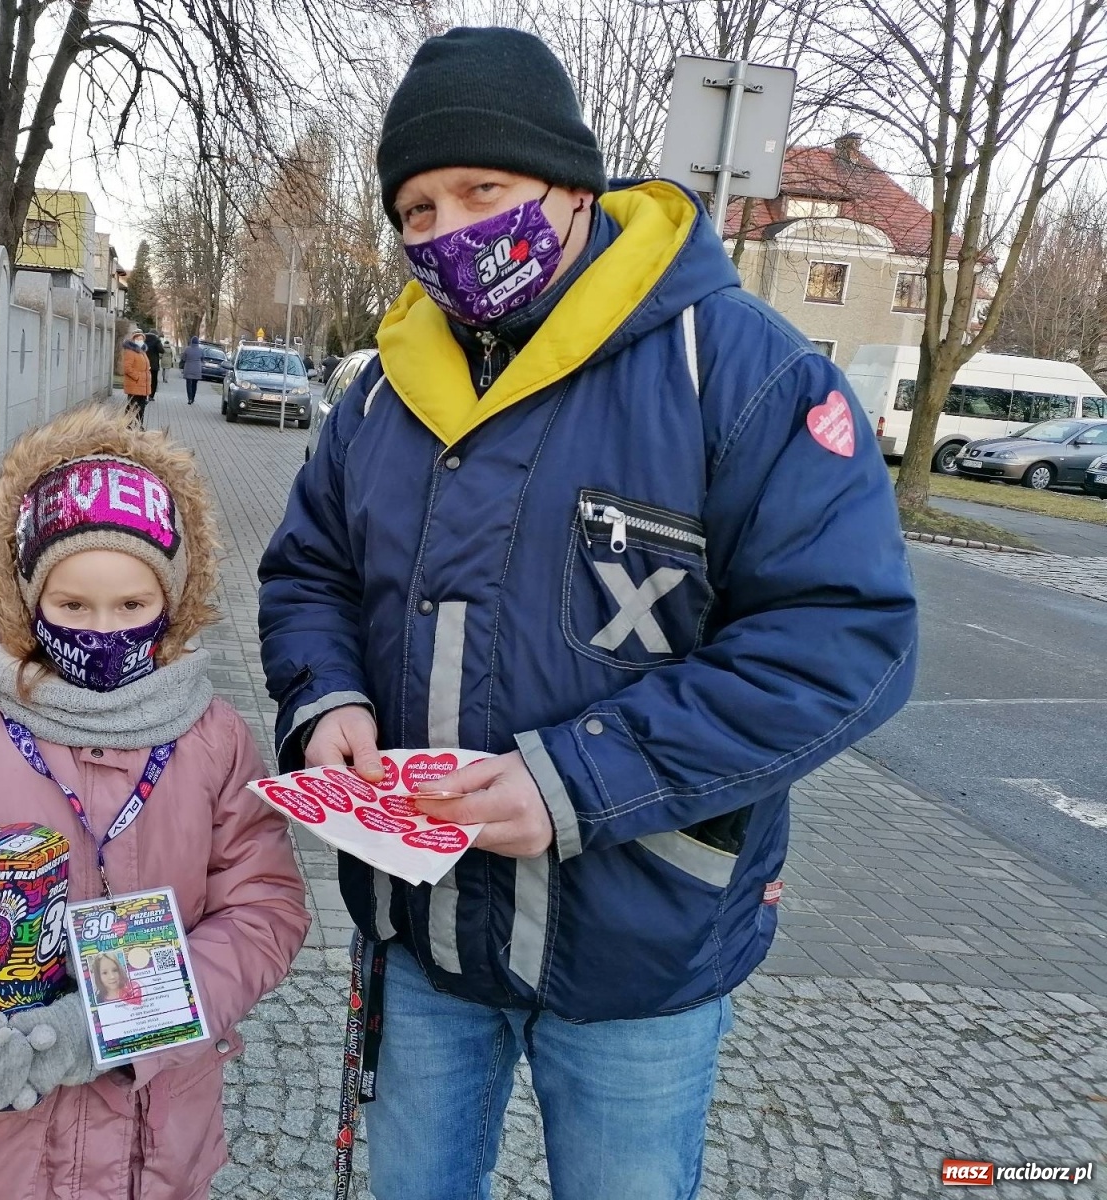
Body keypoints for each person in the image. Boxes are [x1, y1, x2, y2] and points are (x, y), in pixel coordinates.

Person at [257, 26, 916, 1200]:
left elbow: (839, 640)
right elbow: (307, 571)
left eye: (482, 189)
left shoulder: (743, 371)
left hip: (643, 941)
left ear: (571, 185)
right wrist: (327, 698)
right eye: (415, 208)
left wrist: (582, 778)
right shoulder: (381, 392)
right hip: (428, 935)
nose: (447, 230)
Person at [0, 405, 310, 1199]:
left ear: (172, 603)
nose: (102, 630)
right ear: (27, 602)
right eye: (73, 606)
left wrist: (125, 1018)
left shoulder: (212, 741)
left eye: (131, 607)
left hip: (151, 1150)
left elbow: (264, 912)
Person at [122, 329, 152, 428]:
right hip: (135, 384)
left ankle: (139, 425)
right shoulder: (130, 352)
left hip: (143, 385)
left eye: (141, 339)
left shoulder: (142, 351)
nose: (140, 340)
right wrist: (138, 377)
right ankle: (127, 424)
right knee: (132, 405)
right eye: (138, 338)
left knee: (141, 406)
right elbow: (127, 368)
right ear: (134, 340)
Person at [181, 333, 204, 404]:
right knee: (194, 384)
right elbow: (202, 359)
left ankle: (189, 398)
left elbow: (183, 358)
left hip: (188, 368)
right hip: (197, 369)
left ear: (191, 342)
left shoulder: (187, 349)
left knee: (188, 384)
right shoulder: (201, 350)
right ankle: (193, 398)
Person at [144, 329, 165, 394]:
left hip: (144, 362)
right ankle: (151, 395)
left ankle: (144, 393)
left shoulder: (143, 339)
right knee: (154, 380)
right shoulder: (156, 341)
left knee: (144, 379)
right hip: (154, 364)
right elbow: (162, 350)